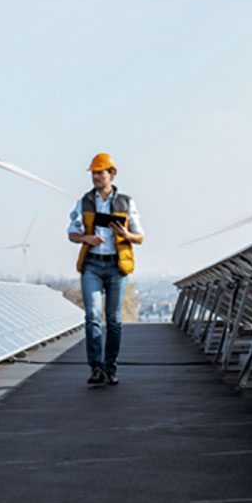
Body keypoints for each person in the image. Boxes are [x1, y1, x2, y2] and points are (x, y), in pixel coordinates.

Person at [67, 153, 144, 386]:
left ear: (112, 174)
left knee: (113, 319)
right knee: (91, 316)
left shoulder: (126, 202)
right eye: (94, 173)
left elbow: (140, 237)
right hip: (92, 263)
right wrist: (86, 238)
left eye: (100, 172)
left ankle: (111, 367)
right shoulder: (84, 202)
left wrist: (125, 234)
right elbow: (71, 233)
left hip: (116, 265)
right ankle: (95, 368)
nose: (96, 177)